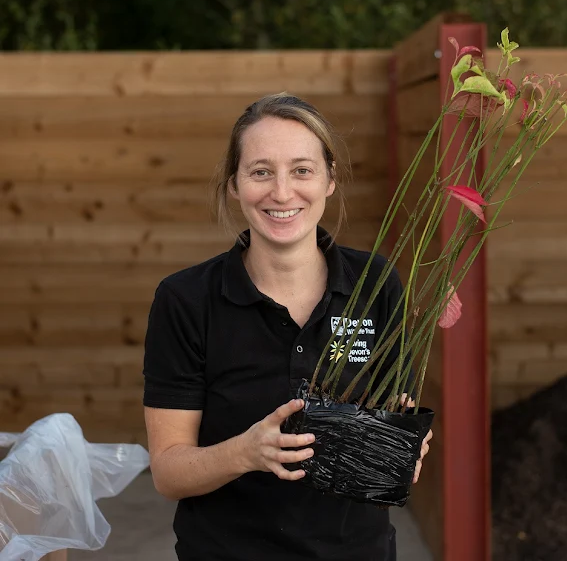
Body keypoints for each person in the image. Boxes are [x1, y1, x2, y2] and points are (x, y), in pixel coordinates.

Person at [143, 93, 433, 561]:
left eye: (302, 170)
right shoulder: (186, 299)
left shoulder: (375, 283)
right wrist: (247, 451)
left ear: (330, 180)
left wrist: (399, 446)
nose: (282, 192)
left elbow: (389, 416)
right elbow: (168, 473)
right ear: (234, 184)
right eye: (261, 171)